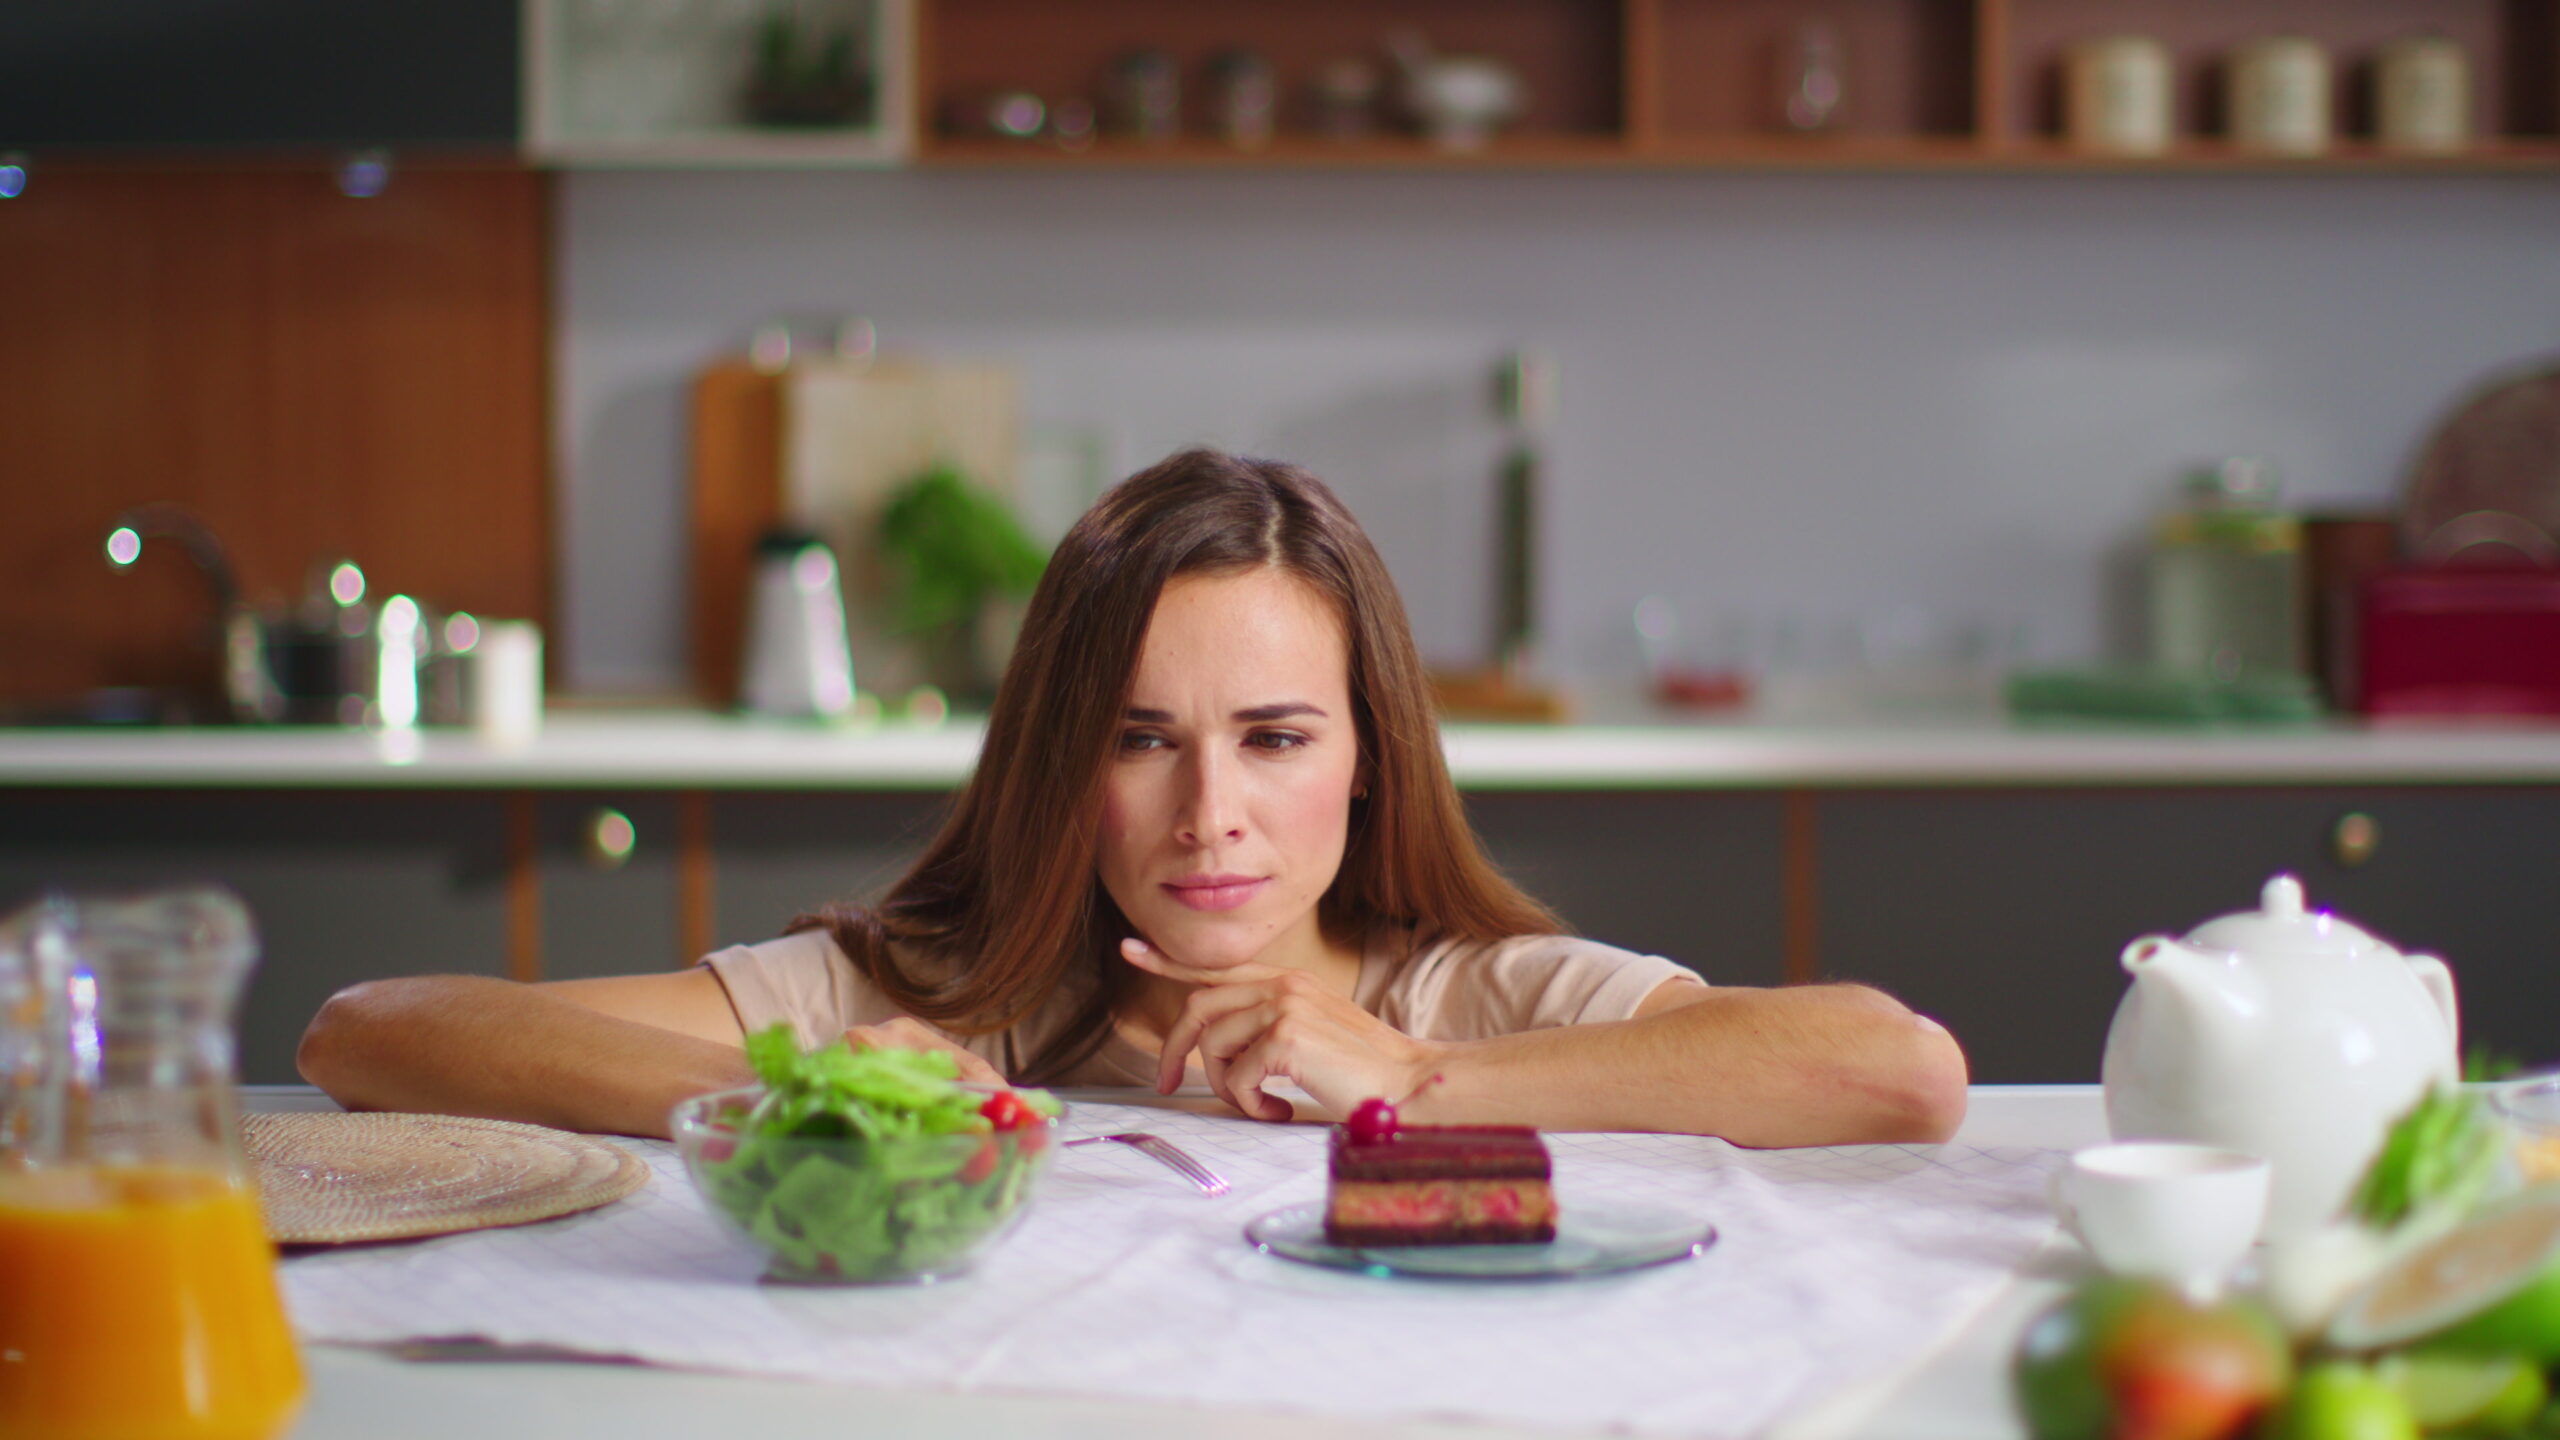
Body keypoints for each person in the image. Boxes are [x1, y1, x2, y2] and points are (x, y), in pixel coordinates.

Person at [299, 448, 1967, 1145]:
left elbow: (1897, 1070)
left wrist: (1418, 1083)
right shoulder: (945, 997)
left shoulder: (1467, 993)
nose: (1211, 816)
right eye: (1141, 738)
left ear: (1369, 753)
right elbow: (372, 1028)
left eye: (1277, 737)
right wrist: (795, 1096)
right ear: (1058, 759)